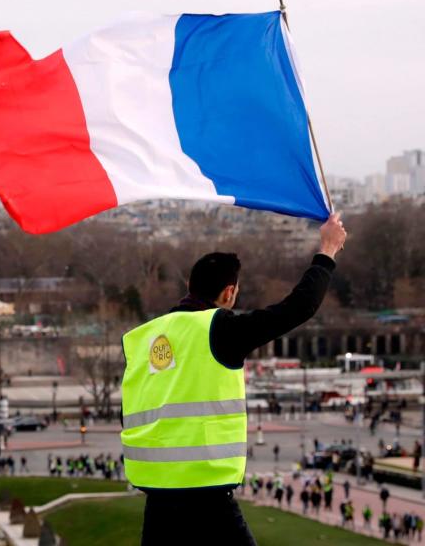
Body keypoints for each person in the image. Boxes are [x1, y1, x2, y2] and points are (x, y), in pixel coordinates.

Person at [121, 214, 347, 546]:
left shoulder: (142, 338)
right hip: (206, 495)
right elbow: (297, 307)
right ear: (229, 293)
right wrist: (328, 249)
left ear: (190, 286)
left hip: (157, 494)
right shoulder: (220, 329)